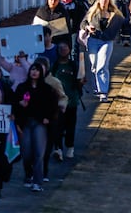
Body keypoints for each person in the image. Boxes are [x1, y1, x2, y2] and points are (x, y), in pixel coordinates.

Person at [12, 62, 57, 192]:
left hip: (40, 123)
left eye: (37, 70)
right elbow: (14, 104)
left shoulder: (47, 89)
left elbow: (53, 105)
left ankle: (38, 181)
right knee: (26, 152)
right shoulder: (22, 87)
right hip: (25, 122)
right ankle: (28, 174)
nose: (34, 72)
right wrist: (20, 103)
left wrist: (48, 118)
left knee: (39, 152)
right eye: (32, 69)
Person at [80, 0, 124, 102]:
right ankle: (97, 88)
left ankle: (103, 92)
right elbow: (83, 23)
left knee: (103, 65)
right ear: (98, 0)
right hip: (93, 41)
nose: (104, 0)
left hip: (106, 42)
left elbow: (125, 24)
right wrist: (88, 28)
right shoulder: (92, 12)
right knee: (94, 66)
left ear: (109, 0)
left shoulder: (115, 14)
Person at [33, 55, 68, 181]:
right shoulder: (31, 81)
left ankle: (44, 170)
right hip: (34, 118)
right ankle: (34, 171)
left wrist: (60, 107)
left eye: (41, 68)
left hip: (50, 118)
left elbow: (63, 97)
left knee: (47, 146)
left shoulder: (54, 82)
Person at [51, 42, 84, 159]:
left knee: (70, 126)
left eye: (65, 48)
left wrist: (81, 82)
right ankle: (58, 148)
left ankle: (70, 147)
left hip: (71, 100)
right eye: (61, 48)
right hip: (58, 102)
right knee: (58, 126)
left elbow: (80, 81)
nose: (63, 50)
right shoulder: (54, 66)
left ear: (69, 50)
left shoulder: (74, 65)